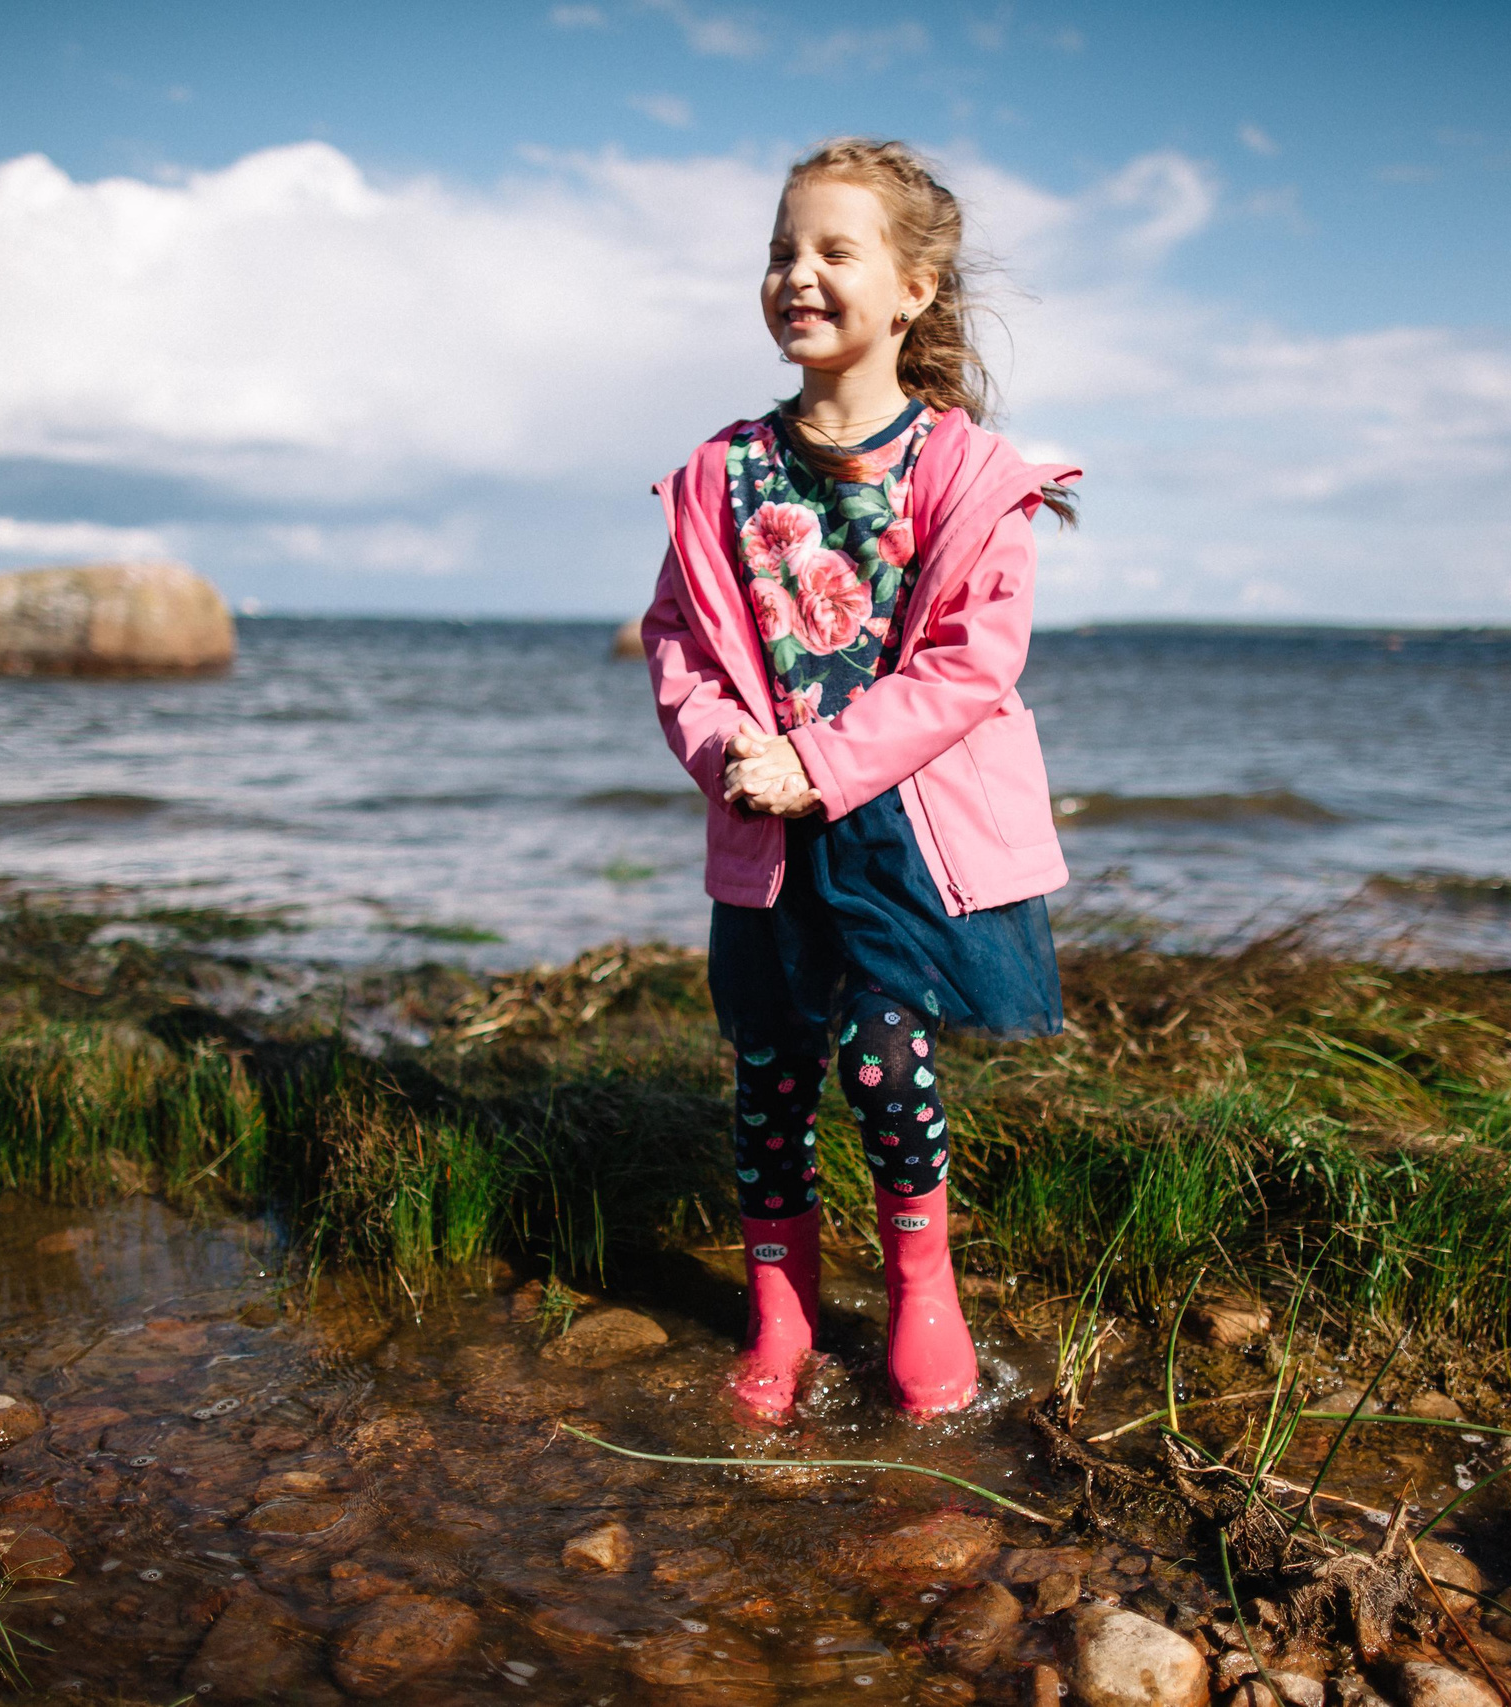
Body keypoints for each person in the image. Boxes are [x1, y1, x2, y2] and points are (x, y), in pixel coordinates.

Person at [640, 137, 1080, 1422]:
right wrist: (727, 749)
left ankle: (920, 1292)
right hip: (764, 820)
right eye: (783, 249)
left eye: (835, 250)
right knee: (770, 1067)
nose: (798, 274)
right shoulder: (722, 474)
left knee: (887, 1059)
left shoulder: (965, 474)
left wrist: (821, 761)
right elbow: (677, 640)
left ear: (914, 290)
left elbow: (970, 664)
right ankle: (779, 1314)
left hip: (903, 823)